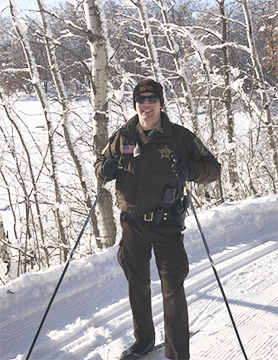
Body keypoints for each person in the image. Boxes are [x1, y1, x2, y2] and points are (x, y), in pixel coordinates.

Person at [94, 79, 221, 360]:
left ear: (161, 103)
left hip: (166, 224)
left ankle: (177, 354)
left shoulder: (180, 137)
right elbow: (99, 165)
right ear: (135, 104)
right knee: (136, 282)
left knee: (172, 288)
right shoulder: (123, 136)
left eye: (152, 99)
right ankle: (144, 340)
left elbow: (213, 169)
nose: (146, 105)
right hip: (131, 224)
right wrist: (106, 168)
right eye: (141, 100)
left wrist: (190, 169)